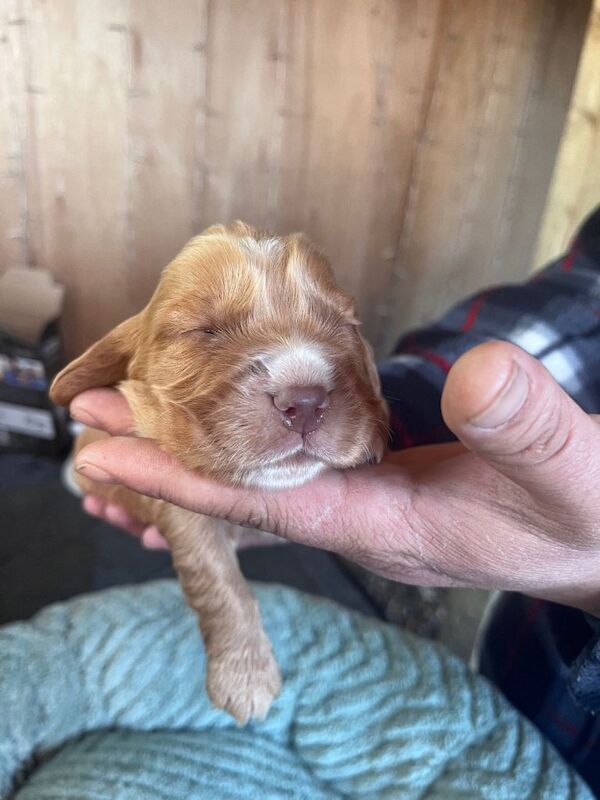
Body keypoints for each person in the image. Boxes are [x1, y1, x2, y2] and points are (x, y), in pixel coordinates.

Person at [70, 207, 600, 792]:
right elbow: (581, 299)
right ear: (123, 354)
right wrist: (410, 418)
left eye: (338, 326)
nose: (302, 383)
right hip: (540, 666)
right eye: (205, 332)